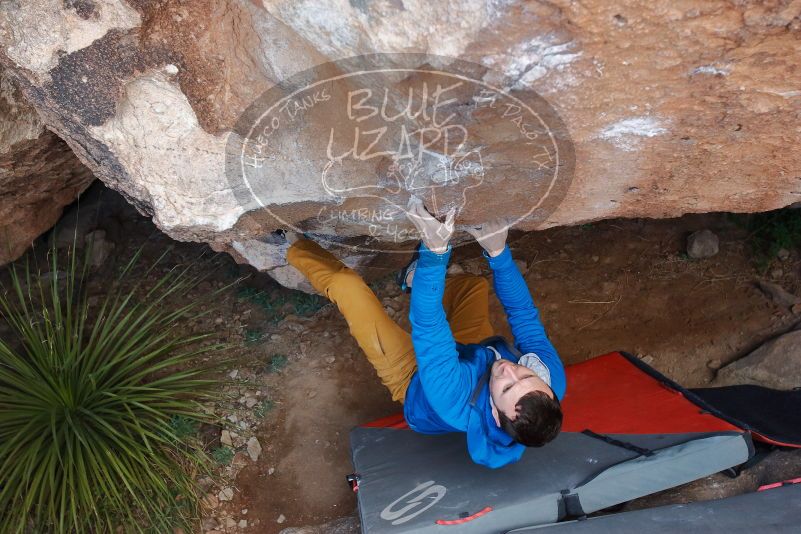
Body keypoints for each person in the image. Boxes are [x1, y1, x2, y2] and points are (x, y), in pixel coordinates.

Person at [285, 198, 566, 468]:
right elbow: (524, 316)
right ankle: (413, 280)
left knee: (345, 285)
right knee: (472, 287)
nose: (510, 370)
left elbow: (429, 326)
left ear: (493, 412)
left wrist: (434, 254)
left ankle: (290, 241)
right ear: (549, 389)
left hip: (414, 378)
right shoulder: (547, 375)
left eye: (507, 387)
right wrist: (499, 254)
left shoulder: (453, 399)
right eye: (526, 375)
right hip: (472, 354)